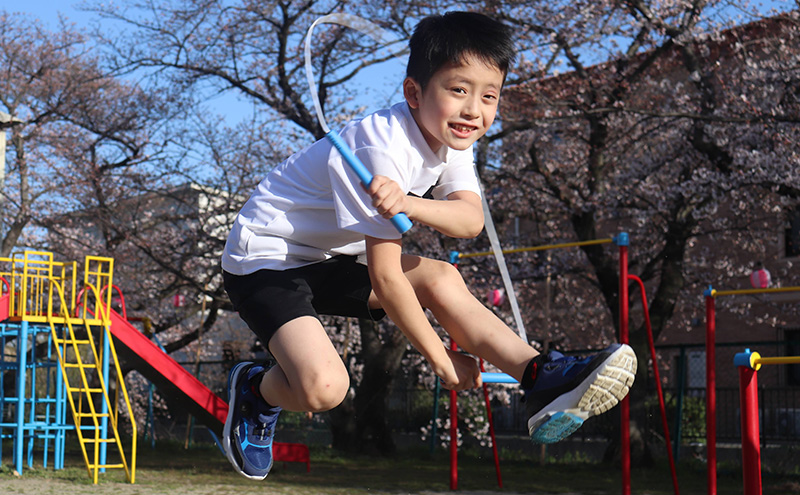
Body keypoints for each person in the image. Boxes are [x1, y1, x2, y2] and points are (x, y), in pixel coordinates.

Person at [220, 11, 637, 480]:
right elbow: (386, 278)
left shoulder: (454, 141)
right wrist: (441, 360)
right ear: (414, 93)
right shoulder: (380, 150)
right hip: (266, 258)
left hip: (328, 255)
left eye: (489, 96)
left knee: (443, 276)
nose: (473, 110)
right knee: (324, 389)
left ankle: (539, 376)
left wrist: (411, 206)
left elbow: (469, 220)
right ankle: (257, 389)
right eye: (458, 90)